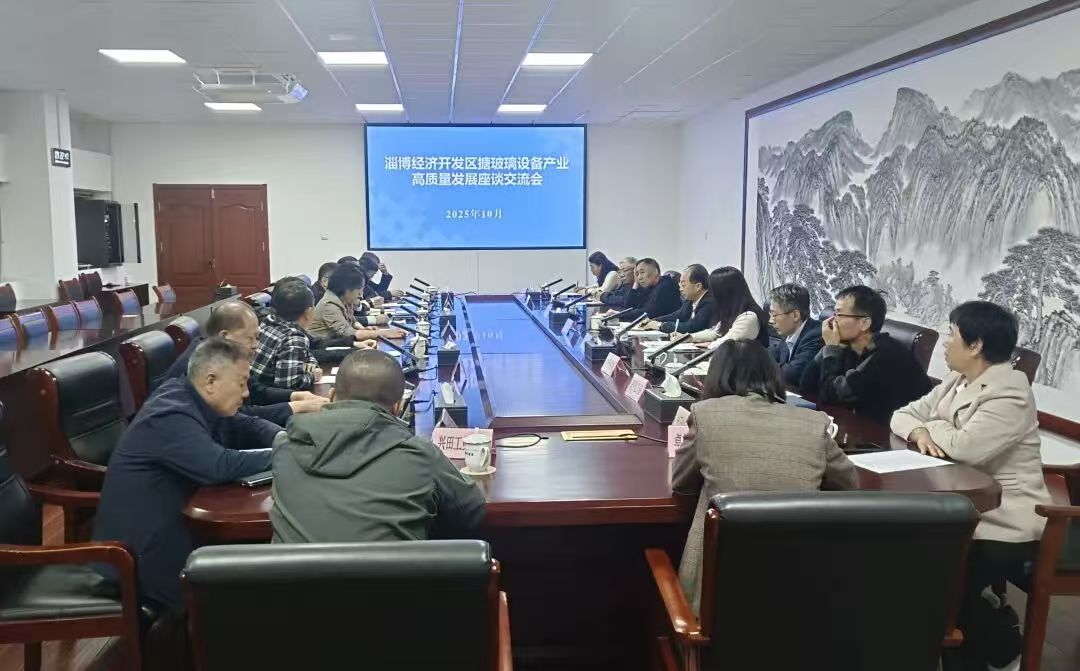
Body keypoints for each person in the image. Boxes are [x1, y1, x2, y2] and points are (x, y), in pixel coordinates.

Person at [890, 301, 1050, 668]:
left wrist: (931, 427)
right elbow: (902, 415)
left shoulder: (1010, 392)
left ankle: (1003, 647)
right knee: (911, 559)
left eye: (952, 334)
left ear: (976, 345)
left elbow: (966, 450)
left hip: (1004, 517)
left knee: (935, 570)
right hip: (960, 503)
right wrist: (919, 431)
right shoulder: (957, 379)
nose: (946, 343)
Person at [92, 338, 280, 611]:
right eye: (241, 383)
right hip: (140, 557)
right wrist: (285, 451)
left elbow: (247, 424)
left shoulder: (193, 397)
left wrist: (283, 437)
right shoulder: (171, 412)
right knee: (251, 591)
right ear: (211, 381)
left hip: (175, 530)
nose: (246, 393)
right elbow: (219, 465)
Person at [672, 340, 857, 613]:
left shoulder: (705, 414)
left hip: (714, 601)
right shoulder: (814, 422)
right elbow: (850, 485)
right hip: (803, 595)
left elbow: (680, 483)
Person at [271, 349, 486, 543]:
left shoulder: (285, 445)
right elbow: (471, 513)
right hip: (392, 576)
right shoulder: (420, 454)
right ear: (398, 406)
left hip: (292, 577)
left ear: (331, 396)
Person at [165, 301, 327, 425]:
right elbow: (237, 416)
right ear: (225, 337)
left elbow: (256, 391)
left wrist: (295, 396)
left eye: (257, 337)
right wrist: (298, 407)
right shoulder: (199, 367)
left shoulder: (224, 357)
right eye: (251, 338)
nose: (257, 345)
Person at [800, 285, 931, 423]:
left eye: (839, 314)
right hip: (861, 425)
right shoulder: (850, 345)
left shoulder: (885, 355)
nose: (832, 321)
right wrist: (828, 348)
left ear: (864, 323)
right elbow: (807, 384)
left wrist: (831, 348)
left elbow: (832, 397)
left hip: (898, 432)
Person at [250, 278, 322, 390]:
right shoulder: (293, 337)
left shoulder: (269, 320)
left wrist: (311, 363)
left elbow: (308, 355)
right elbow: (291, 385)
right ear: (308, 312)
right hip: (265, 396)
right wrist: (313, 376)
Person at [308, 263, 401, 342]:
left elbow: (352, 320)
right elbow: (348, 333)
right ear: (346, 288)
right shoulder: (329, 304)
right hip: (323, 348)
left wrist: (363, 329)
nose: (361, 294)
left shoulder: (344, 299)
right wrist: (385, 333)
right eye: (359, 288)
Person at [685, 267, 769, 349]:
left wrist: (711, 344)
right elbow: (715, 333)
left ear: (723, 293)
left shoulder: (749, 317)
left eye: (713, 291)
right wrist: (688, 337)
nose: (710, 295)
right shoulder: (732, 312)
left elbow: (728, 342)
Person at [768, 283, 824, 386]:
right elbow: (769, 357)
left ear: (795, 316)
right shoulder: (789, 332)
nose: (770, 321)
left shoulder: (816, 336)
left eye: (774, 315)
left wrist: (764, 365)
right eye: (770, 314)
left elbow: (792, 375)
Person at [644, 264, 715, 334]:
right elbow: (678, 315)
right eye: (680, 283)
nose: (680, 288)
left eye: (683, 285)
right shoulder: (690, 299)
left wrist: (660, 325)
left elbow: (692, 327)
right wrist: (653, 321)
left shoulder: (709, 302)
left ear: (698, 286)